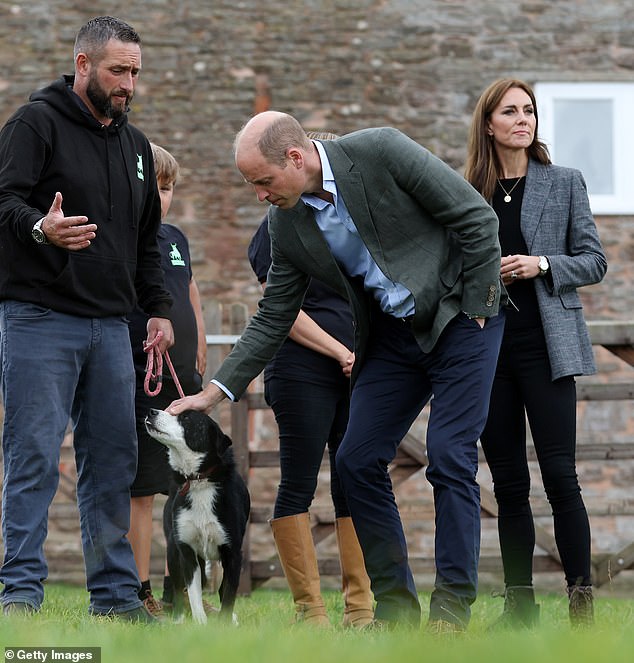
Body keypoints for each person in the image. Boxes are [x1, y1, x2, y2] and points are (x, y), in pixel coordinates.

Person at [169, 111, 506, 632]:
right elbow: (275, 313)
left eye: (263, 181)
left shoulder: (381, 150)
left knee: (448, 455)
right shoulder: (287, 222)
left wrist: (481, 303)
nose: (259, 195)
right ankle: (394, 612)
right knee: (356, 458)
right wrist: (213, 394)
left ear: (296, 158)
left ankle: (451, 612)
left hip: (459, 318)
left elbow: (477, 217)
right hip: (392, 338)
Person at [0, 16, 174, 622]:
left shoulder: (136, 148)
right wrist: (38, 227)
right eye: (117, 70)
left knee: (113, 465)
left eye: (135, 72)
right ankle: (19, 595)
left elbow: (146, 239)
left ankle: (116, 600)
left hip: (112, 327)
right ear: (82, 65)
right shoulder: (35, 123)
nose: (128, 83)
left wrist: (158, 310)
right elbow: (2, 202)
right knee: (34, 458)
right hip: (39, 319)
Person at [464, 78, 607, 629]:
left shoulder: (564, 182)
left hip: (548, 347)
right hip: (488, 351)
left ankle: (581, 604)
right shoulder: (468, 190)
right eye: (510, 111)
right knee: (507, 482)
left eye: (529, 111)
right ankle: (519, 607)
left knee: (560, 476)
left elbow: (594, 261)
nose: (522, 119)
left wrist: (540, 264)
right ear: (489, 124)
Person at [247, 130, 372, 628]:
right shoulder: (277, 226)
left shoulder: (353, 220)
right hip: (302, 368)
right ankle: (310, 611)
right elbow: (282, 311)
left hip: (357, 368)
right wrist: (342, 351)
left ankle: (360, 609)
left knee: (354, 478)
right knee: (299, 480)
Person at [127, 143, 207, 616]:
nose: (161, 197)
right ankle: (141, 591)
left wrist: (197, 343)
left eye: (168, 187)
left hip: (184, 383)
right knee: (141, 490)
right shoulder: (120, 240)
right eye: (152, 187)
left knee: (188, 488)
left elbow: (190, 287)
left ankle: (182, 591)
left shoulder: (176, 239)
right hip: (141, 381)